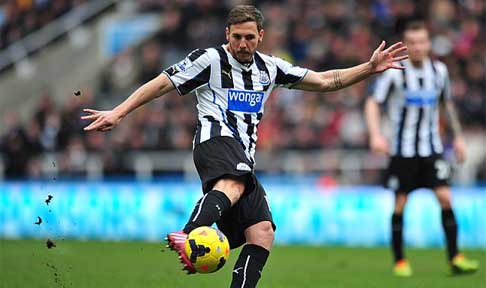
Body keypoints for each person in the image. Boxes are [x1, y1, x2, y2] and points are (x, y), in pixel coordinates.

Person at [82, 5, 407, 287]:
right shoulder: (209, 60)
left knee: (263, 231)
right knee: (235, 182)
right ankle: (190, 232)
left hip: (243, 157)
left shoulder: (270, 68)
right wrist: (119, 111)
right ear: (227, 34)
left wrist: (369, 68)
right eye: (236, 36)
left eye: (249, 37)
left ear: (260, 36)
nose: (242, 43)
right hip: (214, 141)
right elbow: (162, 83)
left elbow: (324, 81)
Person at [365, 21, 479, 277]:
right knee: (400, 203)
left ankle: (455, 257)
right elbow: (373, 103)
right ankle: (400, 261)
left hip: (431, 149)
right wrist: (375, 135)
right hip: (402, 151)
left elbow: (446, 106)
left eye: (421, 42)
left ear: (428, 44)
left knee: (445, 197)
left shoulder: (439, 71)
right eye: (412, 43)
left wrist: (458, 138)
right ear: (406, 46)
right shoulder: (395, 73)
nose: (417, 47)